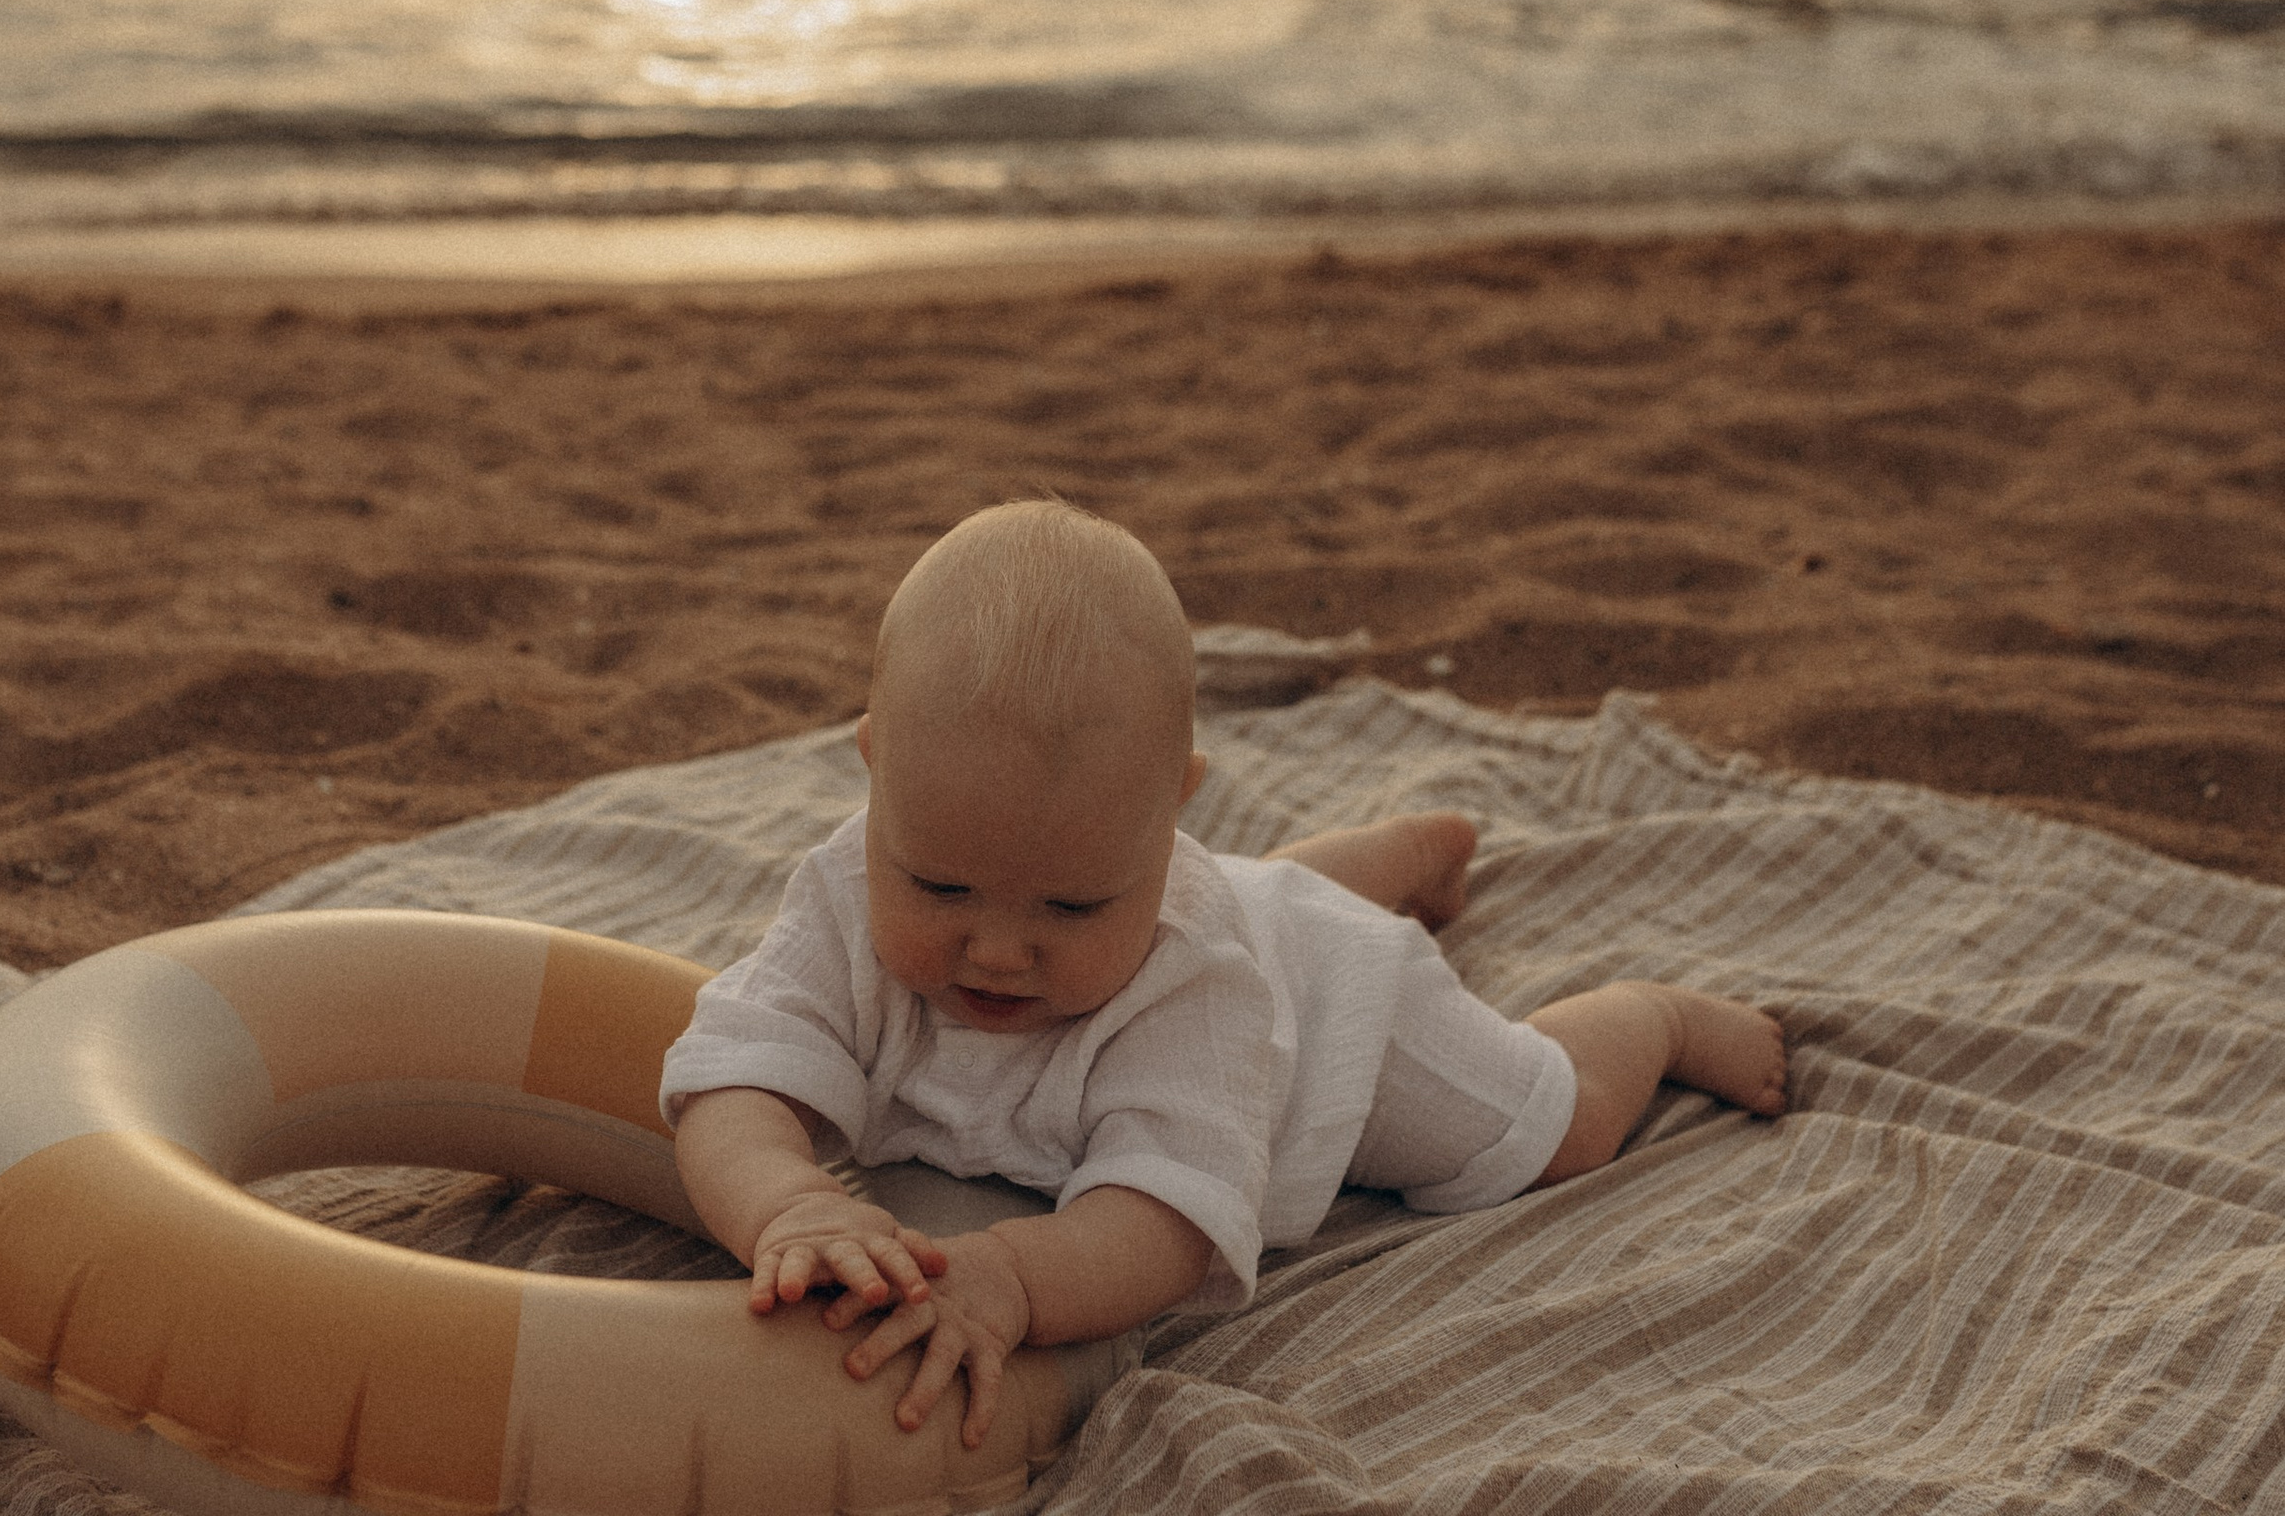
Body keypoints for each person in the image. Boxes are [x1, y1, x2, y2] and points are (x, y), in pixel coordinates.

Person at [660, 503, 1786, 1449]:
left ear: (1173, 810)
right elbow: (734, 1076)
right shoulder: (844, 889)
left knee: (1553, 1130)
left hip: (1340, 1013)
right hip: (1252, 906)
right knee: (1252, 896)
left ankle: (1652, 1017)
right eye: (941, 889)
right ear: (874, 768)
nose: (998, 950)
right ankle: (1393, 854)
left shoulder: (1191, 987)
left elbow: (1157, 1221)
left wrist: (1009, 1276)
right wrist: (786, 1200)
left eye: (1071, 905)